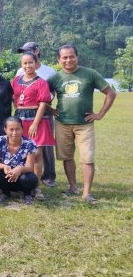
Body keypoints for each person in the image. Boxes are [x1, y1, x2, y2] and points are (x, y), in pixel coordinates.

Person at [48, 44, 116, 204]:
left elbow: (111, 93)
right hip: (62, 124)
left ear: (77, 57)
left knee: (87, 158)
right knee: (67, 157)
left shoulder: (90, 74)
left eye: (71, 56)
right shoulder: (55, 78)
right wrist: (51, 110)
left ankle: (86, 193)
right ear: (59, 59)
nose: (68, 60)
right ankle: (72, 188)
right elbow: (40, 95)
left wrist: (100, 114)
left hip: (84, 124)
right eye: (64, 57)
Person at [12, 52, 54, 200]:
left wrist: (35, 123)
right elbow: (14, 99)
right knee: (19, 153)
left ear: (36, 64)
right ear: (21, 65)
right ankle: (21, 184)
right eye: (25, 63)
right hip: (20, 119)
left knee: (36, 155)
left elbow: (43, 103)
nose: (28, 66)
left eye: (30, 62)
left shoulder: (42, 82)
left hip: (36, 119)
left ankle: (36, 187)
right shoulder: (16, 80)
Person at [0, 117, 39, 205]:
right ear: (5, 130)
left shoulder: (29, 143)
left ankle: (27, 194)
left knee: (30, 178)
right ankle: (5, 193)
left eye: (18, 129)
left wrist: (20, 168)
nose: (14, 133)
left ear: (22, 129)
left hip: (22, 179)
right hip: (7, 177)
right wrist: (5, 166)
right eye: (11, 129)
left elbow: (30, 168)